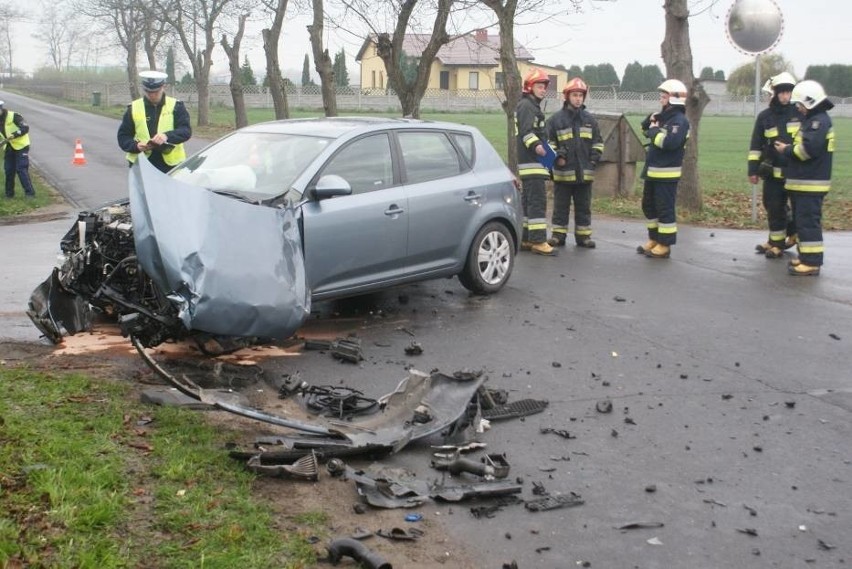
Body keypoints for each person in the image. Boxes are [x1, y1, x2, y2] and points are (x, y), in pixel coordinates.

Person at [773, 80, 834, 277]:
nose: (798, 108)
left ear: (809, 102)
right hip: (804, 182)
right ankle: (806, 256)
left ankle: (812, 262)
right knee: (802, 222)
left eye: (800, 104)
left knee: (808, 223)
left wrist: (786, 150)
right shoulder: (813, 120)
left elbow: (808, 150)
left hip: (811, 183)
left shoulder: (818, 122)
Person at [545, 77, 604, 248]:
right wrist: (558, 156)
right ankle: (558, 235)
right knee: (560, 206)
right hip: (563, 174)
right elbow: (549, 143)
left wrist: (593, 160)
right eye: (575, 95)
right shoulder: (556, 120)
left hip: (585, 173)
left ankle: (583, 237)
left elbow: (598, 143)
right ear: (567, 97)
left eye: (580, 95)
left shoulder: (590, 120)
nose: (578, 98)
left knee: (584, 206)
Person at [748, 72, 801, 259]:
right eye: (782, 93)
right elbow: (755, 146)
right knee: (773, 207)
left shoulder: (800, 113)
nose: (785, 96)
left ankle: (782, 242)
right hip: (772, 173)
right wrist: (752, 170)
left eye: (788, 93)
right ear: (776, 94)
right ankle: (775, 240)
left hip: (794, 172)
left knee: (793, 208)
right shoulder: (765, 117)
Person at [637, 79, 690, 259]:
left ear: (674, 98)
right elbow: (646, 131)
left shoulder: (679, 121)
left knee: (664, 209)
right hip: (653, 171)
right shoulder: (664, 117)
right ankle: (654, 239)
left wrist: (653, 132)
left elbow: (669, 143)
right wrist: (649, 123)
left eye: (665, 95)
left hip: (667, 173)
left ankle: (665, 245)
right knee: (648, 206)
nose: (661, 97)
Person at [117, 70, 191, 173]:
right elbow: (123, 137)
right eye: (148, 92)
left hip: (170, 166)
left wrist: (167, 136)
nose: (152, 95)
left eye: (156, 92)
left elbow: (186, 131)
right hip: (141, 165)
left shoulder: (176, 106)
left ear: (163, 87)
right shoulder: (133, 108)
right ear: (143, 89)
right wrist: (135, 146)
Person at [515, 68, 556, 256]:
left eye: (544, 87)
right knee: (537, 202)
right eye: (539, 86)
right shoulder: (527, 106)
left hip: (532, 163)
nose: (543, 90)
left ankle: (526, 238)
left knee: (529, 203)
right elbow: (526, 132)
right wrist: (538, 146)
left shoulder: (531, 105)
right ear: (530, 87)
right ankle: (538, 241)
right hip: (533, 163)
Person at [1, 100, 36, 199]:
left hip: (21, 146)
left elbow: (25, 128)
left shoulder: (14, 116)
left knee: (21, 169)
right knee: (8, 170)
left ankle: (30, 194)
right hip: (9, 147)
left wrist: (15, 135)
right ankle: (9, 195)